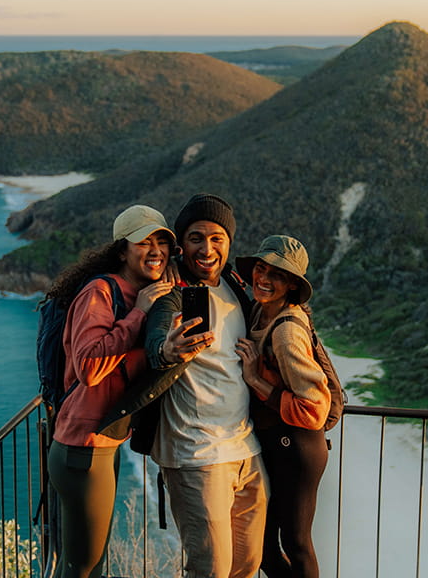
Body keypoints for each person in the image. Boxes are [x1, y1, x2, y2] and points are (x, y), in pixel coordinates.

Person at [97, 193, 267, 578]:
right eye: (195, 238)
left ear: (228, 242)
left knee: (247, 564)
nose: (206, 249)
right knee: (210, 570)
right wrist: (168, 349)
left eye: (216, 238)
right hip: (196, 454)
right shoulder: (171, 294)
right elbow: (159, 342)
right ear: (181, 244)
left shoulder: (236, 288)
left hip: (246, 448)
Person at [45, 204, 175, 578]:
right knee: (82, 568)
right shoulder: (101, 292)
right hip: (81, 450)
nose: (155, 251)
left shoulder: (138, 292)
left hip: (100, 445)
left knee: (91, 563)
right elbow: (88, 368)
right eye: (144, 242)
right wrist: (139, 313)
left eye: (162, 242)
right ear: (122, 250)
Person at [234, 235, 330, 578]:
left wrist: (255, 379)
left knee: (295, 541)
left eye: (276, 275)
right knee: (261, 542)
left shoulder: (287, 333)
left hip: (299, 445)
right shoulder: (261, 310)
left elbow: (315, 408)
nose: (263, 278)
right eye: (261, 268)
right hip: (279, 444)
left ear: (290, 284)